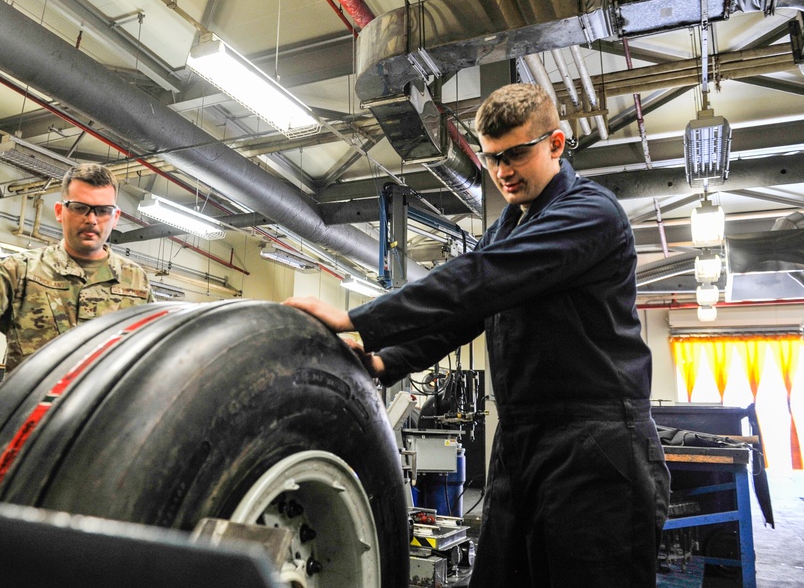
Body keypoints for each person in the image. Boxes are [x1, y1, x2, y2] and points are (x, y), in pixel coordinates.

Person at [285, 83, 670, 587]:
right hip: (519, 441)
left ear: (555, 144)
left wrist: (359, 318)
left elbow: (481, 278)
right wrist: (385, 360)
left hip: (595, 444)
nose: (502, 171)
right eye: (491, 159)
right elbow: (469, 314)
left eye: (515, 154)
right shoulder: (506, 228)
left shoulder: (590, 213)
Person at [0, 163, 153, 371]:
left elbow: (152, 351)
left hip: (106, 423)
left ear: (116, 216)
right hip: (33, 421)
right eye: (79, 207)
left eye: (103, 211)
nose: (91, 219)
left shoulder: (135, 280)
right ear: (60, 211)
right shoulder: (20, 270)